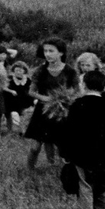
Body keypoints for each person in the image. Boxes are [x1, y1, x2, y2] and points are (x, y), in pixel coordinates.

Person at [59, 70, 105, 209]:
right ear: (104, 86)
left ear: (84, 85)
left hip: (82, 156)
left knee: (85, 187)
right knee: (103, 187)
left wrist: (65, 153)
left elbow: (69, 132)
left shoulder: (77, 106)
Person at [25, 37, 78, 171]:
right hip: (42, 111)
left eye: (51, 51)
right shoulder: (40, 70)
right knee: (35, 147)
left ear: (61, 53)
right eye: (45, 51)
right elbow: (31, 91)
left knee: (61, 145)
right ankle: (29, 170)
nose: (47, 54)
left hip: (61, 112)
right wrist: (45, 98)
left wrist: (65, 99)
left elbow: (76, 91)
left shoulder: (70, 71)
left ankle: (57, 170)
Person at [3, 61, 34, 133]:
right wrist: (11, 91)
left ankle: (24, 131)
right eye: (16, 70)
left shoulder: (28, 80)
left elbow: (32, 90)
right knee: (12, 114)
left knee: (26, 114)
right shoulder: (10, 79)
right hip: (11, 101)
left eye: (20, 70)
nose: (18, 72)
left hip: (24, 101)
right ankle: (10, 131)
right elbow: (3, 87)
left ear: (24, 71)